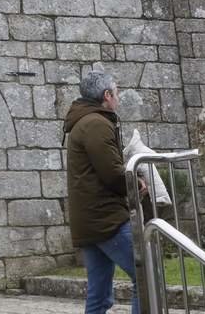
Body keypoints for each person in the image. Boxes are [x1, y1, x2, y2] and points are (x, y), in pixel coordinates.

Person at [64, 70, 142, 314]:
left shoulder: (84, 122)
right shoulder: (96, 123)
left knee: (99, 297)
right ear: (107, 95)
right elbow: (112, 173)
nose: (118, 98)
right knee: (147, 274)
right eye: (116, 92)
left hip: (90, 220)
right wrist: (139, 184)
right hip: (106, 220)